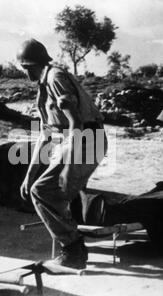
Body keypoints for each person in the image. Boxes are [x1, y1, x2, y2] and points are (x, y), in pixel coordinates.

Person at [17, 39, 107, 269]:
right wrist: (30, 174)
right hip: (73, 140)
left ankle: (73, 249)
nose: (26, 75)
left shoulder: (55, 78)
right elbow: (45, 134)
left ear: (34, 64)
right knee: (44, 188)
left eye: (26, 69)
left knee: (43, 191)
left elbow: (76, 121)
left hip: (86, 138)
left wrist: (68, 166)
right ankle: (75, 244)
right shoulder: (44, 84)